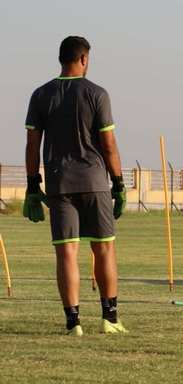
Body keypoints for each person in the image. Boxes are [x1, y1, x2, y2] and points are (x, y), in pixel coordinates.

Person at [24, 36, 128, 335]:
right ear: (83, 59)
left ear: (61, 59)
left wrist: (33, 185)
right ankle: (109, 318)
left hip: (59, 184)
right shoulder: (97, 94)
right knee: (104, 249)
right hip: (95, 182)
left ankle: (73, 323)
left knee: (66, 253)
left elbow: (32, 145)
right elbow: (109, 146)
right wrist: (118, 184)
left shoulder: (40, 95)